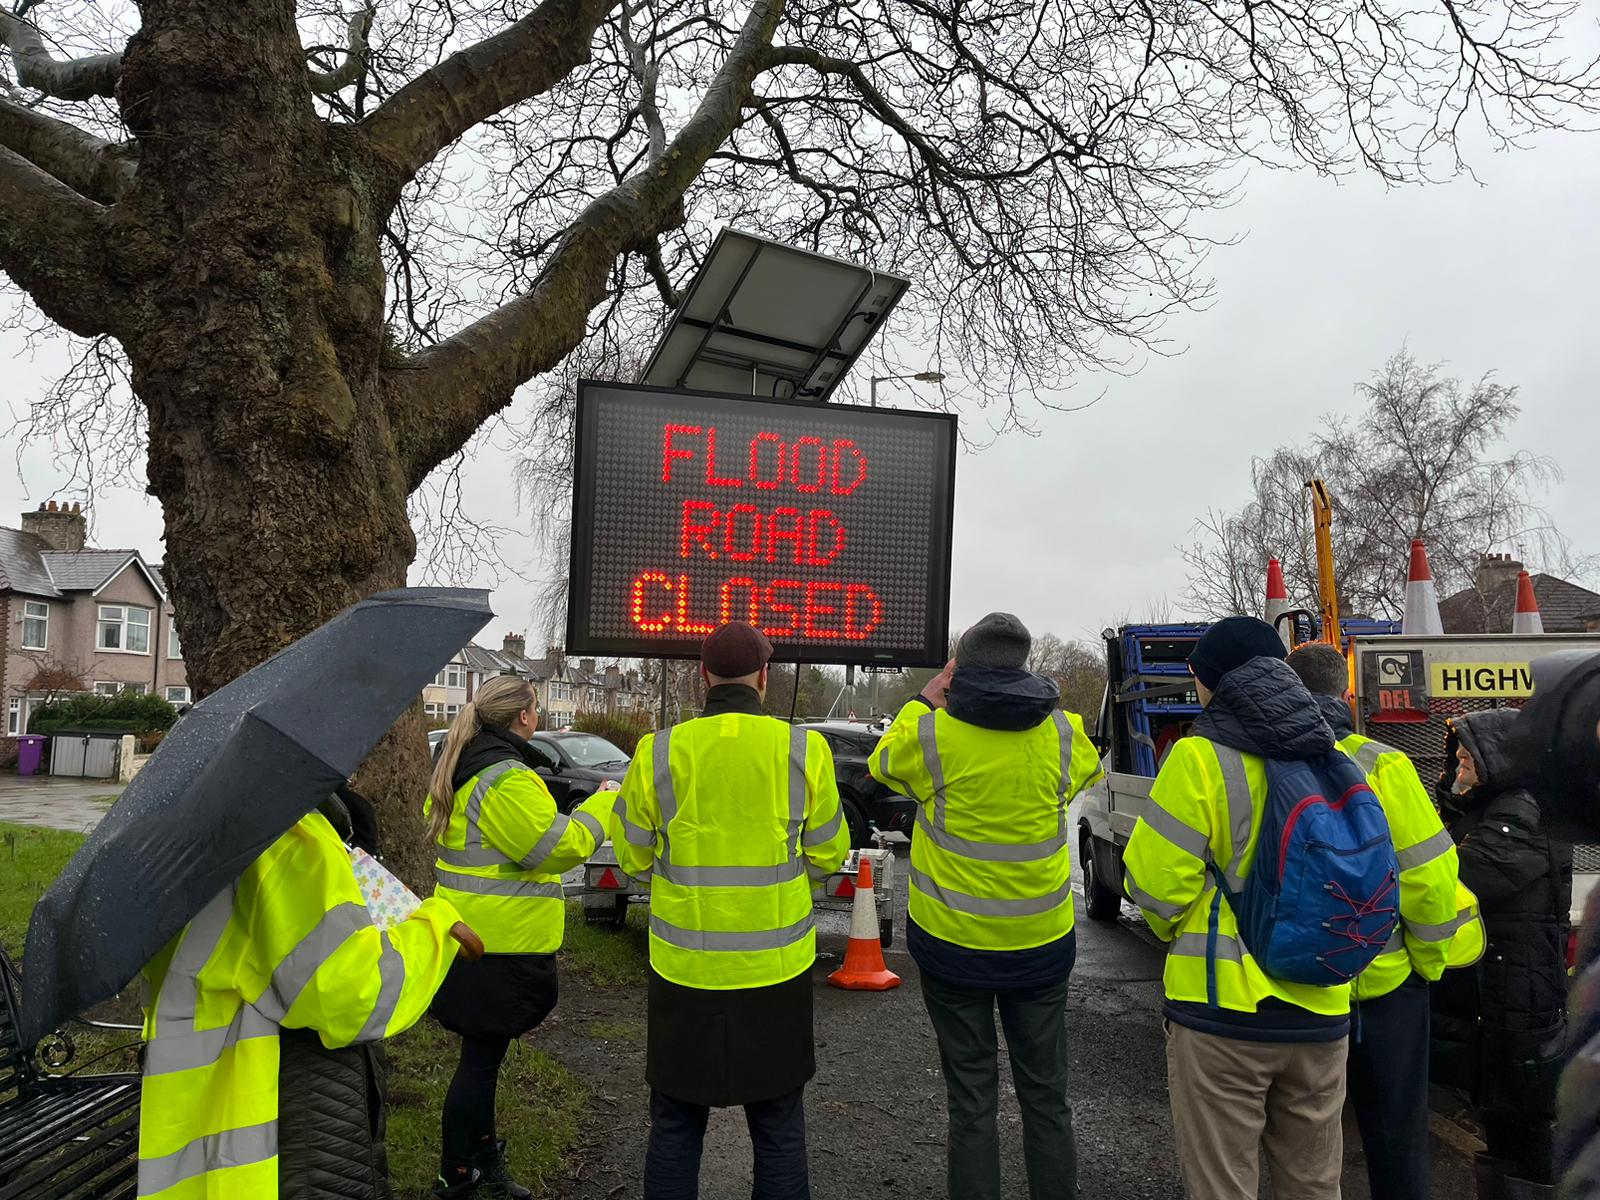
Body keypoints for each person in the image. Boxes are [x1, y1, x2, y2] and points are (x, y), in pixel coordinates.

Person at [613, 621, 850, 1200]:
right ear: (765, 678)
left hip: (684, 970)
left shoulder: (659, 750)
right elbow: (829, 853)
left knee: (675, 1122)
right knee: (777, 1127)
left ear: (702, 676)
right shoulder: (804, 748)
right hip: (776, 971)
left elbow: (631, 855)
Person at [869, 612, 1103, 1200]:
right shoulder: (1065, 734)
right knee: (1046, 1099)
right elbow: (1083, 775)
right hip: (1041, 948)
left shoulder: (933, 736)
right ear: (1024, 666)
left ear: (960, 671)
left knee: (972, 1101)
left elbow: (880, 764)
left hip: (953, 949)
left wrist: (927, 697)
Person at [1122, 616, 1352, 1200]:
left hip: (1223, 1013)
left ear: (1212, 682)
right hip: (1323, 1004)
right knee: (1315, 1185)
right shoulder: (1335, 751)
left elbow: (1154, 885)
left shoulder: (1199, 758)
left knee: (1223, 1185)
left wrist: (1184, 925)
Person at [138, 806, 466, 1200]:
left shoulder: (181, 828)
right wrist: (434, 928)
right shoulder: (286, 834)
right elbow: (356, 992)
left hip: (189, 1109)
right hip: (284, 1105)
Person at [1287, 642, 1483, 1200]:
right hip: (1385, 986)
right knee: (1396, 1140)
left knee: (1301, 1151)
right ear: (1345, 696)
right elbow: (1428, 880)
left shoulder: (1263, 762)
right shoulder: (1383, 764)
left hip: (1294, 984)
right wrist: (1425, 964)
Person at [427, 675, 619, 1198]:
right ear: (525, 716)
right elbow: (555, 847)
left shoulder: (470, 762)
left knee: (483, 1059)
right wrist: (602, 806)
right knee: (480, 1063)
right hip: (497, 948)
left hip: (476, 942)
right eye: (536, 705)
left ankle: (480, 1159)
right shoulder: (503, 777)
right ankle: (457, 1173)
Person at [1431, 708, 1571, 1195]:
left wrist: (1452, 813)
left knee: (1523, 1111)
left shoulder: (1524, 810)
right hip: (1499, 979)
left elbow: (1464, 874)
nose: (1458, 769)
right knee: (1498, 1106)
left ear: (1499, 760)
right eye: (1458, 759)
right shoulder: (1497, 807)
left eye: (1468, 760)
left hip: (1520, 983)